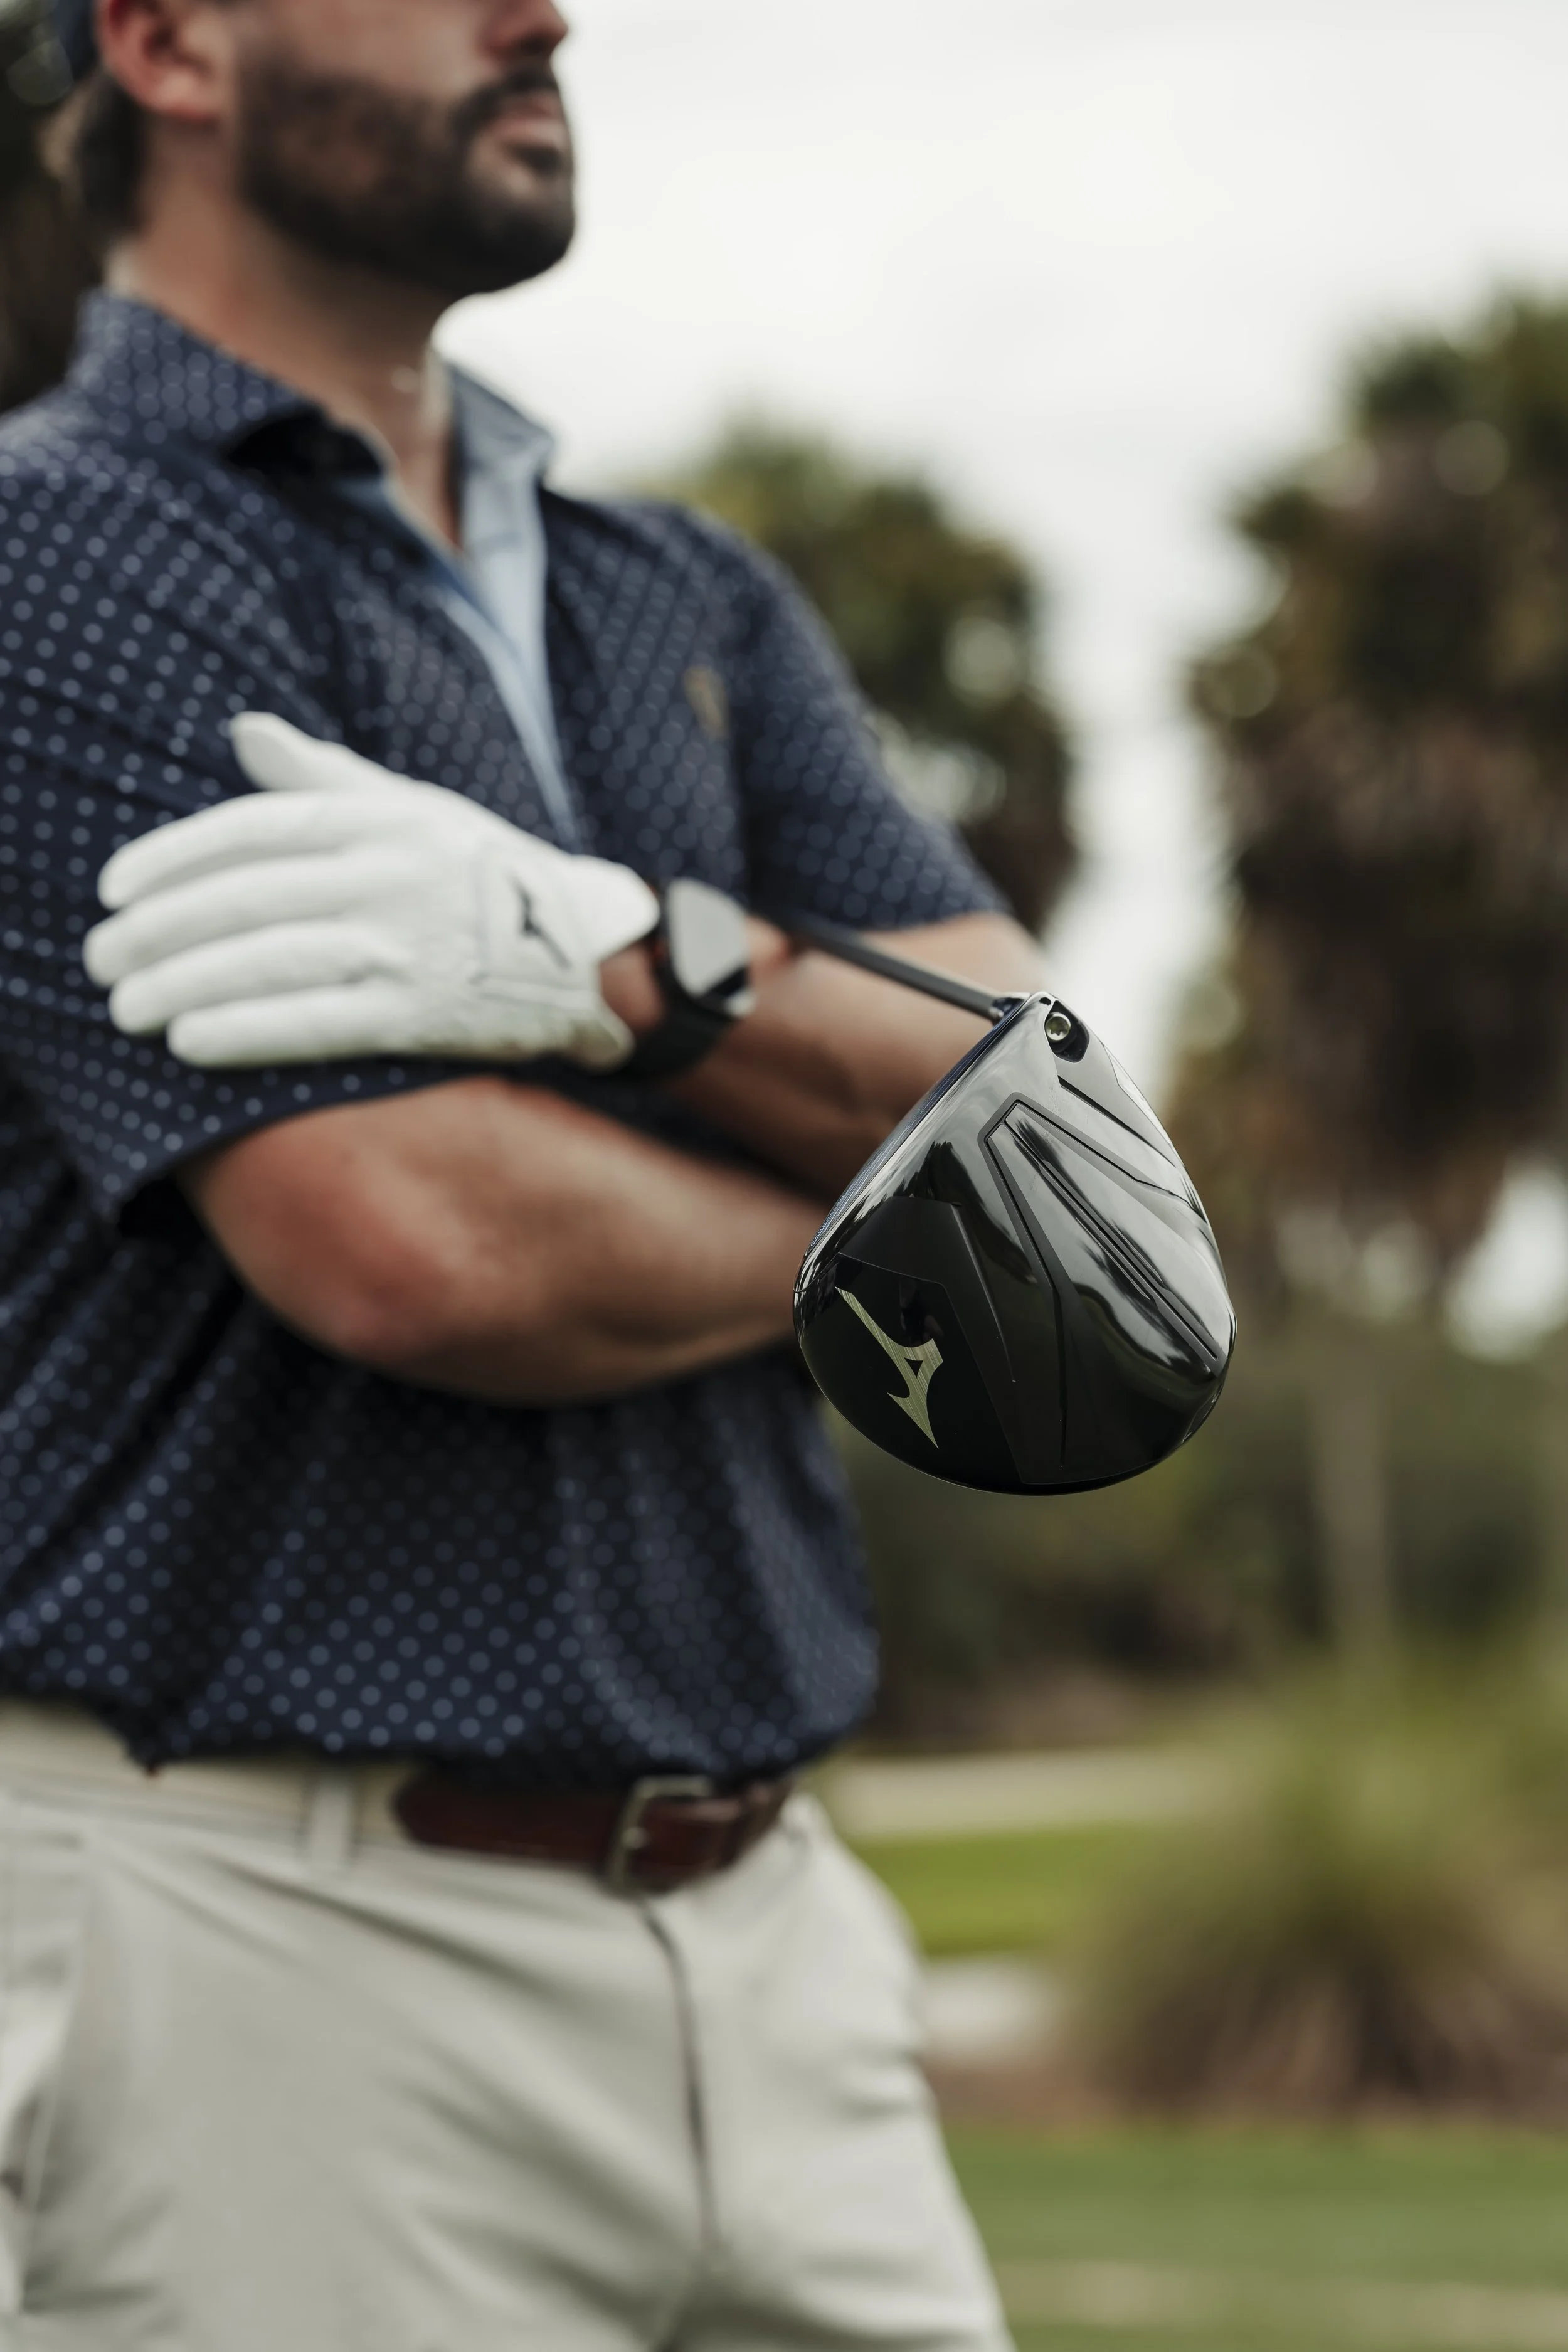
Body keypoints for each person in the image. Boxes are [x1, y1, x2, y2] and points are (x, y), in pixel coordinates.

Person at [0, 1, 1046, 2343]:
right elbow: (416, 1242)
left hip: (776, 1942)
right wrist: (914, 1220)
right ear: (166, 41)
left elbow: (1049, 1103)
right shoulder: (51, 561)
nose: (545, 10)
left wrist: (634, 968)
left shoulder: (676, 594)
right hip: (274, 1956)